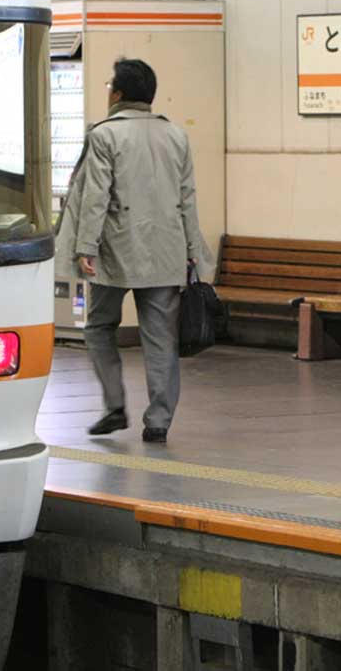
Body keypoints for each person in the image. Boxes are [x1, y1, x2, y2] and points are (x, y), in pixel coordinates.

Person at [55, 58, 211, 444]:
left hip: (114, 250)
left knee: (99, 327)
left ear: (118, 94)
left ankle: (113, 406)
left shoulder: (105, 135)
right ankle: (158, 420)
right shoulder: (176, 135)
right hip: (166, 248)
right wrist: (193, 248)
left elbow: (95, 196)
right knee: (160, 337)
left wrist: (85, 246)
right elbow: (186, 198)